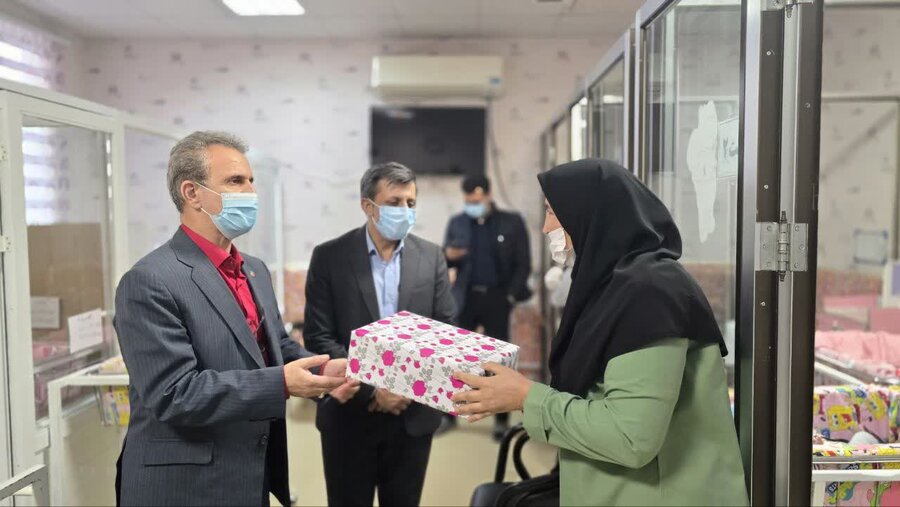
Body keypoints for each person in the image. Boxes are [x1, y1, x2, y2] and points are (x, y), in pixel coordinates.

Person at [451, 159, 749, 506]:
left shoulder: (650, 294)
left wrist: (526, 397)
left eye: (552, 212)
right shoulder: (612, 283)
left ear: (589, 212)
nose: (546, 227)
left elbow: (630, 437)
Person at [113, 131, 357, 507]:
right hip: (184, 485)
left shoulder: (253, 269)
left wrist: (322, 370)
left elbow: (273, 345)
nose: (251, 192)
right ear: (192, 193)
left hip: (247, 471)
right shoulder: (150, 281)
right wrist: (282, 384)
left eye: (251, 180)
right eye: (235, 181)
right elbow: (175, 394)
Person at [304, 161, 456, 507]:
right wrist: (373, 390)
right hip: (349, 415)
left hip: (412, 414)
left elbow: (444, 332)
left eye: (410, 203)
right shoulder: (330, 257)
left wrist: (402, 388)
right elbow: (319, 337)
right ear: (368, 206)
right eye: (394, 202)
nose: (404, 210)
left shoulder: (430, 257)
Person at [441, 175, 532, 439]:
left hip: (497, 298)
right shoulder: (457, 223)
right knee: (456, 358)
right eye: (469, 201)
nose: (473, 205)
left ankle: (501, 421)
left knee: (498, 362)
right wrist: (449, 256)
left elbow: (523, 264)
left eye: (477, 201)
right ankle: (449, 414)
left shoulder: (511, 223)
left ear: (489, 195)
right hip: (466, 298)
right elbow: (446, 261)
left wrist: (510, 296)